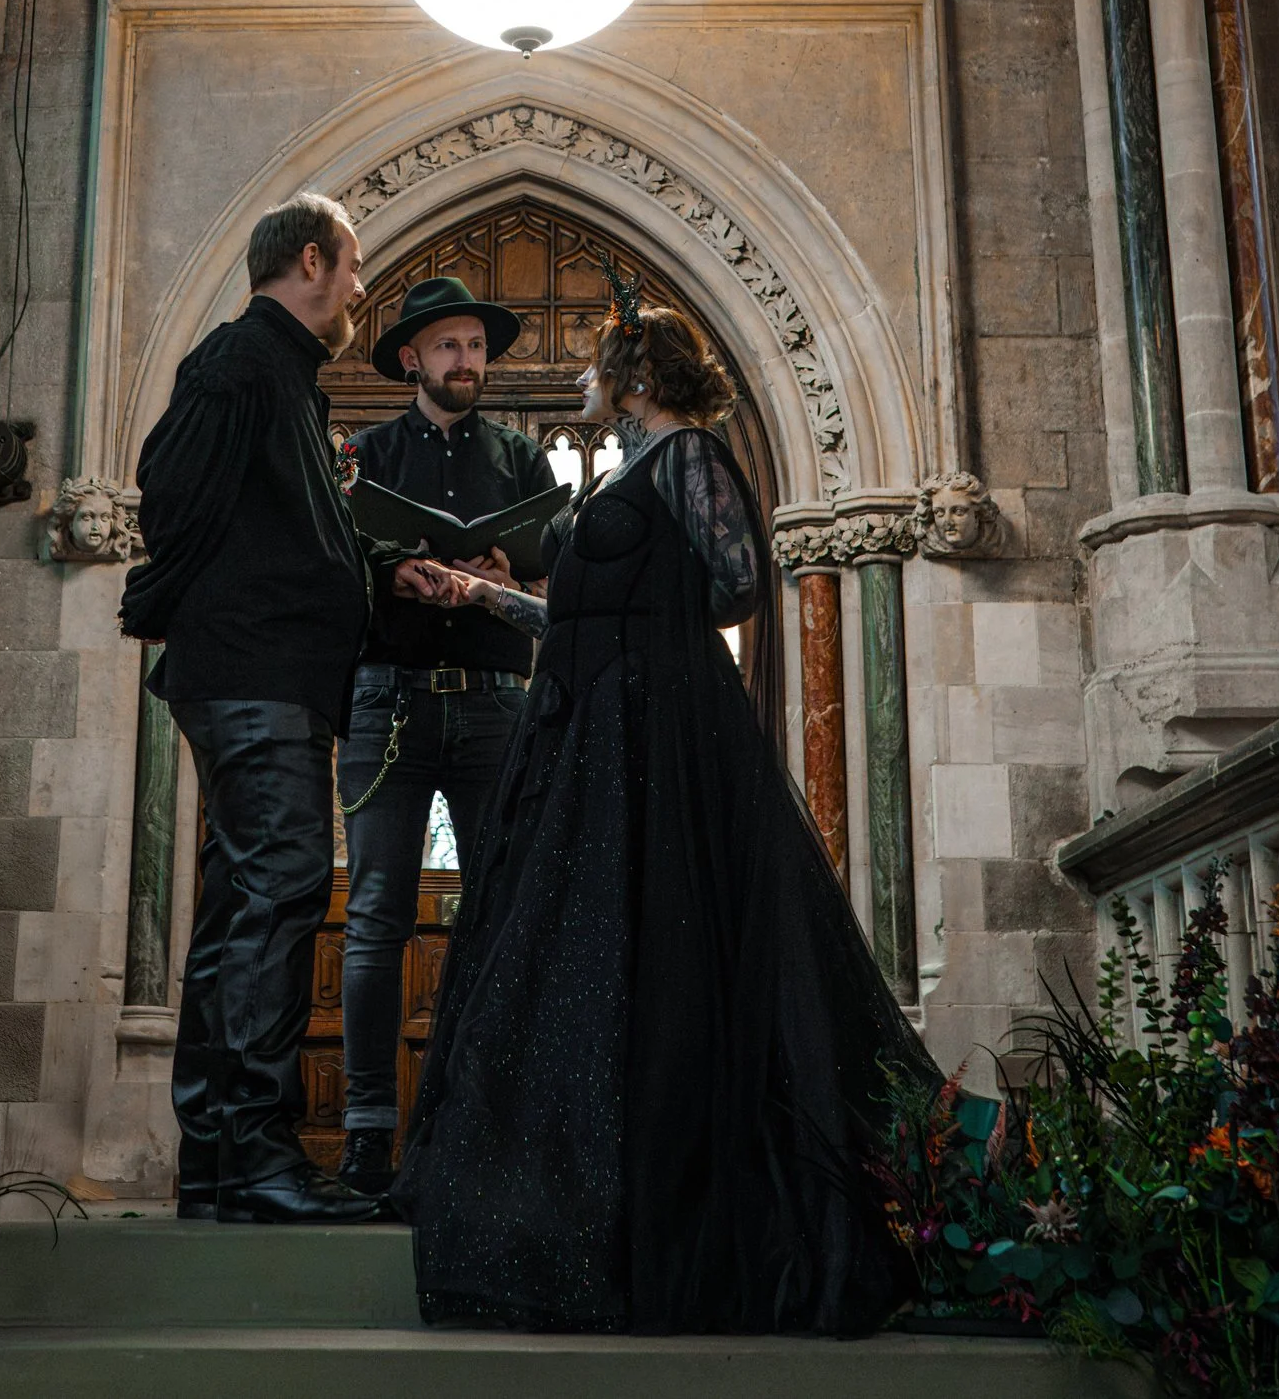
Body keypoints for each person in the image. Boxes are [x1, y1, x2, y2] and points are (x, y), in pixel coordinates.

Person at [392, 288, 934, 1335]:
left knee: (669, 951)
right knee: (584, 958)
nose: (583, 383)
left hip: (658, 737)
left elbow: (735, 583)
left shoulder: (686, 457)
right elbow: (588, 615)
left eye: (597, 368)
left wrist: (656, 643)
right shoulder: (637, 467)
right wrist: (478, 597)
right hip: (596, 732)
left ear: (637, 379)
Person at [120, 193, 447, 1226]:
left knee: (245, 906)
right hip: (251, 676)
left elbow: (296, 527)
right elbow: (169, 492)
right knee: (281, 889)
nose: (359, 286)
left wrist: (381, 573)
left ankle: (218, 1165)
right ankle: (254, 1157)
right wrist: (216, 602)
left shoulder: (286, 378)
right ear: (309, 260)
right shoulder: (240, 362)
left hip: (267, 675)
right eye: (351, 266)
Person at [337, 278, 560, 1202]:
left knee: (502, 913)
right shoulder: (367, 454)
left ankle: (484, 1127)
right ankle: (364, 1134)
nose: (464, 361)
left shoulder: (521, 456)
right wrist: (394, 576)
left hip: (493, 704)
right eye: (447, 347)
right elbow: (331, 560)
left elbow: (561, 558)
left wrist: (510, 565)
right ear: (411, 361)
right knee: (376, 916)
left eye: (474, 346)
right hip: (386, 700)